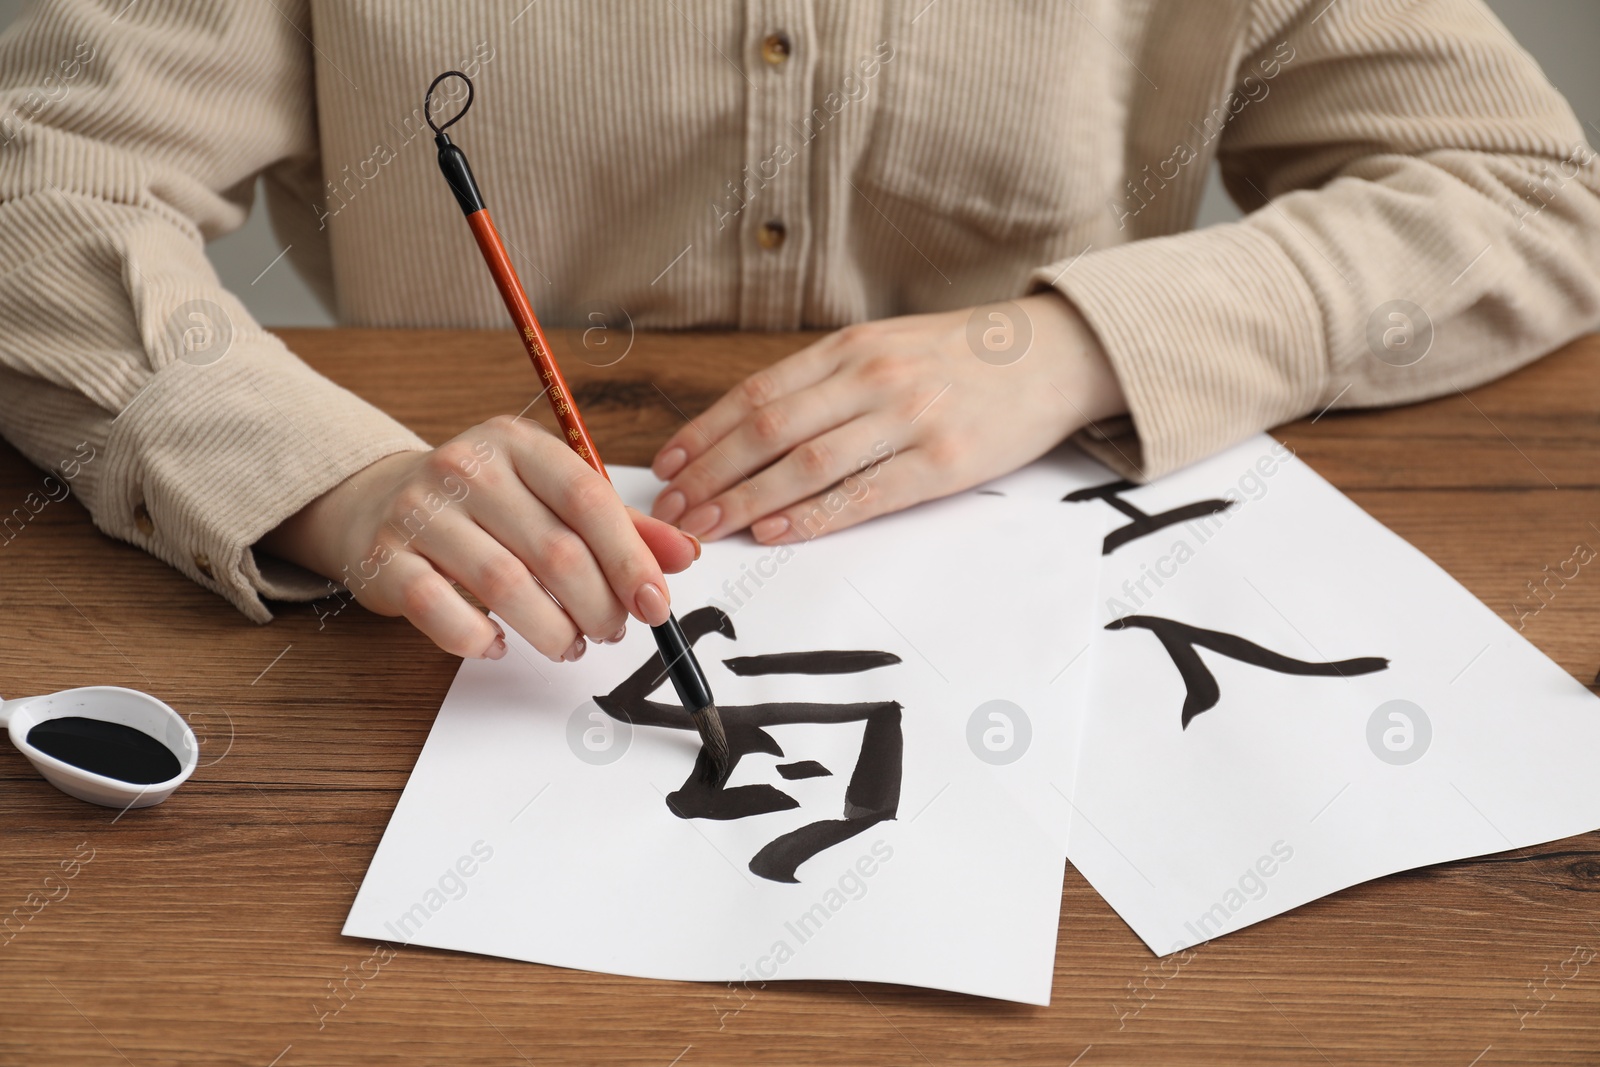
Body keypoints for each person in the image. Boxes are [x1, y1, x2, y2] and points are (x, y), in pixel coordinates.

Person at [0, 1, 1595, 666]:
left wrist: (1081, 343)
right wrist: (334, 479)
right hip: (438, 643)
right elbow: (37, 183)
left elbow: (1528, 190)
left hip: (1044, 624)